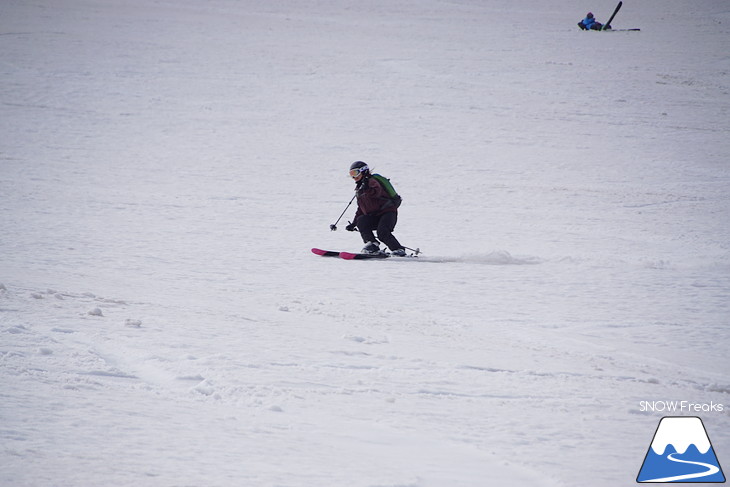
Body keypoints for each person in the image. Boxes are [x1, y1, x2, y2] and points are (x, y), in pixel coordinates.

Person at [345, 161, 406, 256]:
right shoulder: (360, 189)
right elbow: (361, 209)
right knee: (361, 221)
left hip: (387, 213)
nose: (354, 177)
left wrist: (367, 188)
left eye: (355, 173)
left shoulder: (372, 181)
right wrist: (354, 223)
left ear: (363, 171)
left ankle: (398, 250)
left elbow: (377, 192)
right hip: (374, 216)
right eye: (351, 174)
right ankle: (372, 245)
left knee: (382, 232)